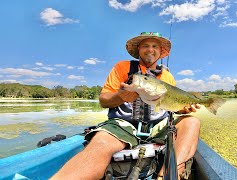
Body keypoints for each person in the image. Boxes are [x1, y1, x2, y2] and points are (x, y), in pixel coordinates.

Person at [51, 32, 201, 180]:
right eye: (145, 46)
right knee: (101, 142)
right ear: (138, 50)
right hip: (123, 125)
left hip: (159, 127)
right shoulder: (122, 67)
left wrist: (183, 109)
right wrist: (120, 97)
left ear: (161, 52)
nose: (150, 49)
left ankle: (164, 176)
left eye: (155, 46)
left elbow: (170, 105)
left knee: (192, 122)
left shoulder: (167, 76)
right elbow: (104, 100)